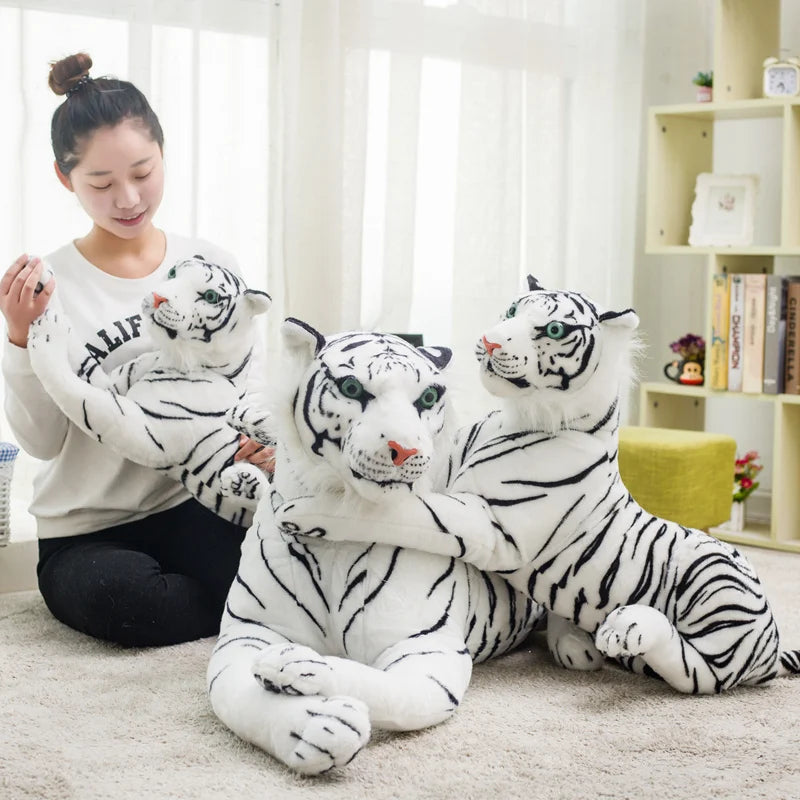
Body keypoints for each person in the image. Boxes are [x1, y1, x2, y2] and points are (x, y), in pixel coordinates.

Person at [0, 52, 271, 647]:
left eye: (143, 172)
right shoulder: (51, 284)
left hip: (195, 502)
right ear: (65, 178)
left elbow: (247, 380)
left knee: (296, 555)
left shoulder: (209, 264)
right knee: (129, 601)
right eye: (101, 183)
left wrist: (261, 446)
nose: (127, 198)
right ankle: (244, 606)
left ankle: (244, 598)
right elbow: (42, 442)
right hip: (88, 531)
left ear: (163, 155)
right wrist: (20, 339)